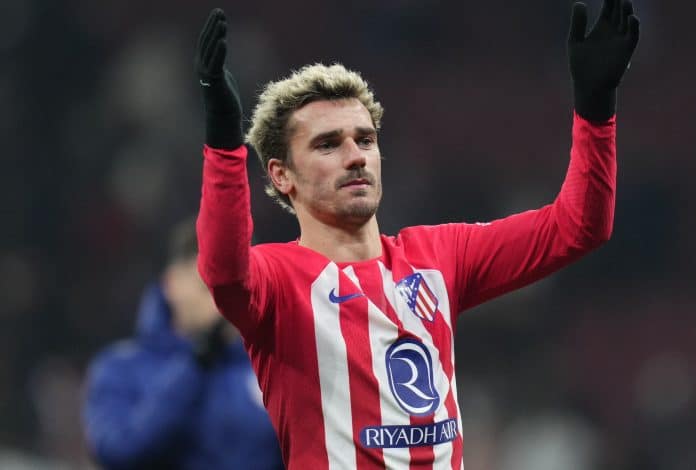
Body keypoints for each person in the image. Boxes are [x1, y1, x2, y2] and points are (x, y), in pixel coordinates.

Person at [194, 0, 640, 468]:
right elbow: (224, 273)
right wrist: (223, 146)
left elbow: (579, 226)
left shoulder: (438, 254)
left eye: (365, 139)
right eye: (328, 144)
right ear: (281, 175)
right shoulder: (278, 279)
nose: (355, 156)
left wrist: (595, 110)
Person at [82, 218, 284, 470]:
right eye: (209, 288)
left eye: (237, 291)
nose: (225, 304)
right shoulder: (121, 368)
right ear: (172, 283)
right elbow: (118, 451)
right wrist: (195, 365)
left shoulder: (274, 372)